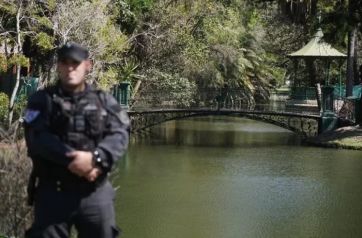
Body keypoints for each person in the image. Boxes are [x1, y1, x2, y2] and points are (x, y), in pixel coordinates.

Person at [23, 42, 130, 238]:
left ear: (87, 65)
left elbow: (120, 133)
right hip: (53, 193)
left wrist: (96, 158)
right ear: (58, 66)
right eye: (65, 62)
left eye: (76, 62)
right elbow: (37, 137)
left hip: (94, 192)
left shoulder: (103, 101)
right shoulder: (41, 100)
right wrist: (74, 159)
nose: (70, 68)